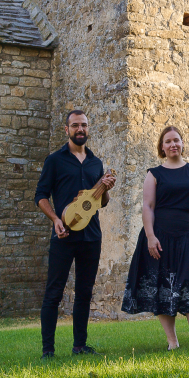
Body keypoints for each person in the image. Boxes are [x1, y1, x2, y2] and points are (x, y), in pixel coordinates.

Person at [35, 110, 116, 360]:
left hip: (91, 236)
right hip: (63, 235)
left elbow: (100, 202)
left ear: (88, 129)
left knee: (85, 292)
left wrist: (106, 188)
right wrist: (56, 219)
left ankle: (79, 346)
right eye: (75, 126)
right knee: (54, 293)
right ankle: (48, 350)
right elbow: (40, 196)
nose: (80, 129)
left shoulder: (96, 163)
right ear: (67, 129)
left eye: (84, 125)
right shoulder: (54, 160)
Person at [121, 126, 189, 349]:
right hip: (159, 238)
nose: (173, 145)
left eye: (177, 140)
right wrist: (151, 236)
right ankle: (172, 341)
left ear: (182, 143)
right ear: (162, 147)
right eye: (168, 141)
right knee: (163, 287)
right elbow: (148, 206)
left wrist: (186, 219)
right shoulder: (154, 174)